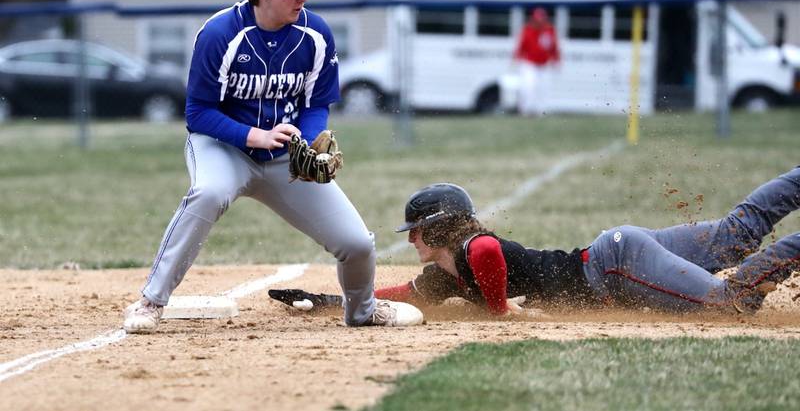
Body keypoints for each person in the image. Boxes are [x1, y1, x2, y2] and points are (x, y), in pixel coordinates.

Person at [123, 0, 422, 333]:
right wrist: (254, 135)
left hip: (283, 155)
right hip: (222, 148)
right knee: (208, 194)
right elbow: (198, 114)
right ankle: (151, 302)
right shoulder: (219, 35)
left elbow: (317, 104)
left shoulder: (315, 34)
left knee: (358, 243)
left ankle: (362, 311)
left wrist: (310, 143)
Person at [270, 167, 800, 317]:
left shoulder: (476, 248)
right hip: (616, 250)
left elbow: (488, 255)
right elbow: (394, 298)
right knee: (738, 233)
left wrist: (500, 310)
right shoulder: (442, 274)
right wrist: (326, 302)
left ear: (436, 229)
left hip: (616, 266)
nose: (410, 240)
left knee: (729, 303)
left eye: (415, 231)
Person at [513, 7, 560, 116]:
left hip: (544, 64)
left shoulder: (549, 30)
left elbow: (554, 47)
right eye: (537, 19)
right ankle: (526, 110)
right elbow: (521, 46)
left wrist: (556, 60)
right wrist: (516, 59)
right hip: (529, 64)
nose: (540, 22)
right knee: (529, 86)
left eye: (542, 19)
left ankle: (541, 111)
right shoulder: (528, 30)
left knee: (544, 88)